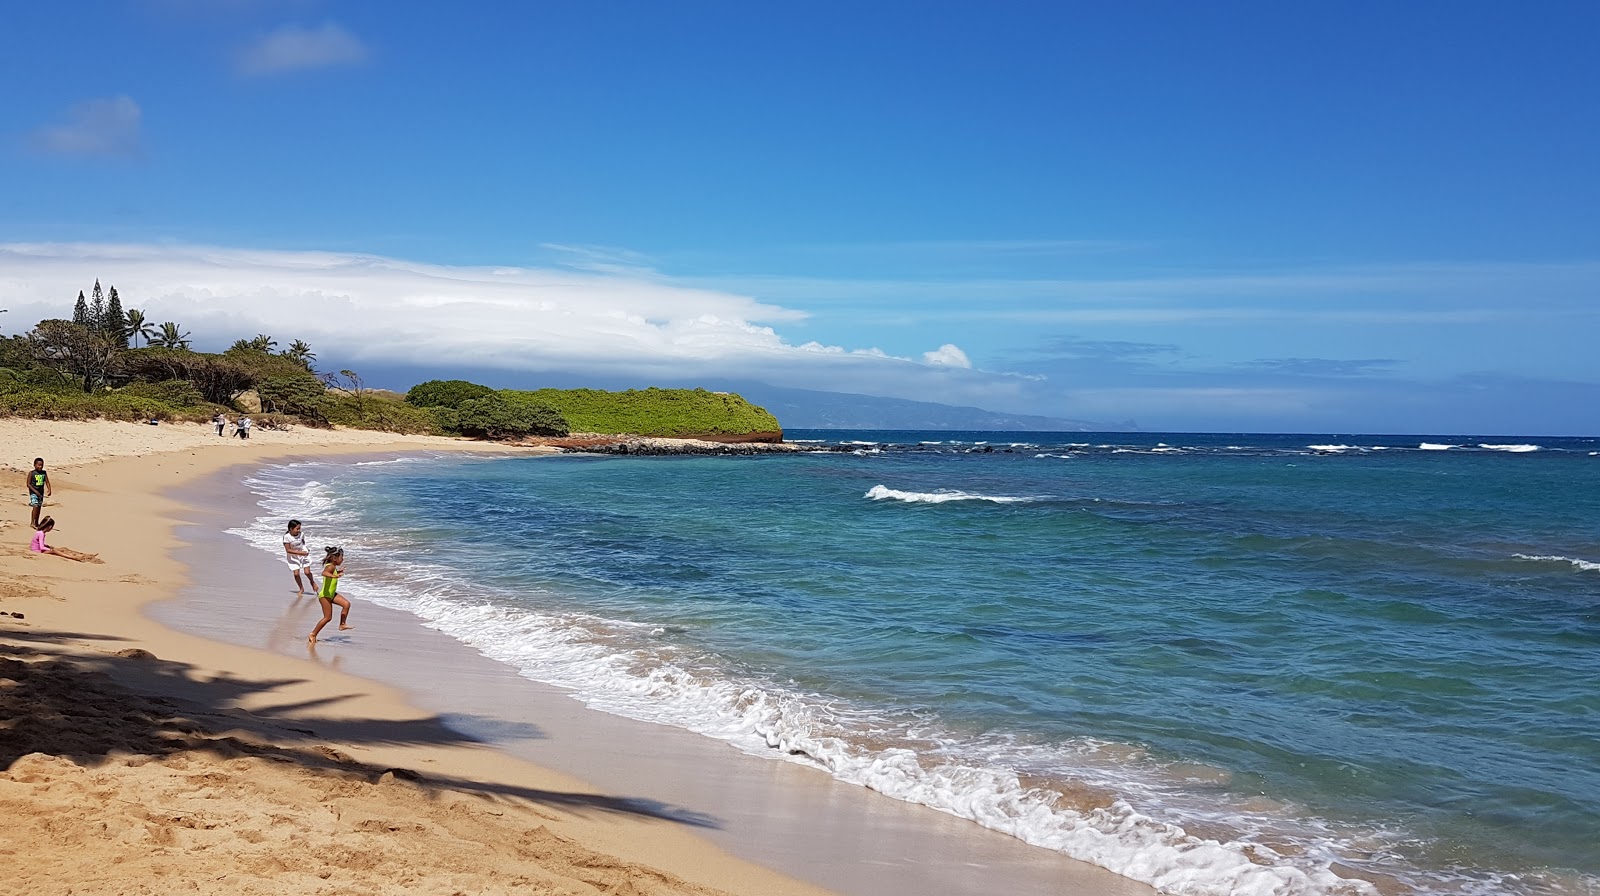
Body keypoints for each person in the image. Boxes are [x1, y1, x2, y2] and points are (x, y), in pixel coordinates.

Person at [309, 546, 354, 643]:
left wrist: (338, 572)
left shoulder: (333, 567)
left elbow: (329, 573)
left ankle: (342, 624)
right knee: (327, 618)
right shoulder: (330, 566)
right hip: (325, 596)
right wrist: (335, 575)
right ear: (334, 558)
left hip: (331, 594)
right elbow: (324, 573)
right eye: (341, 557)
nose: (343, 559)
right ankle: (313, 634)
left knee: (346, 604)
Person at [29, 517, 97, 562]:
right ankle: (72, 557)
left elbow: (38, 543)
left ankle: (82, 554)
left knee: (63, 548)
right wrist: (50, 550)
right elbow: (41, 547)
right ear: (50, 527)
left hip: (37, 549)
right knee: (55, 550)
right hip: (37, 551)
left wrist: (47, 546)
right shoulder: (41, 534)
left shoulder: (39, 532)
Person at [282, 519, 318, 595]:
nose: (299, 530)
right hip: (293, 556)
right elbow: (288, 550)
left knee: (307, 572)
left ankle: (312, 582)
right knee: (296, 574)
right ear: (291, 529)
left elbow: (303, 543)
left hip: (303, 554)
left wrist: (305, 550)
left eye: (299, 528)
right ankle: (301, 588)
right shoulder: (287, 537)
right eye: (297, 529)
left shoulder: (301, 534)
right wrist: (300, 553)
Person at [25, 457, 51, 529]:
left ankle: (37, 522)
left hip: (41, 493)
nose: (40, 466)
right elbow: (28, 484)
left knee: (39, 507)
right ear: (34, 465)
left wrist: (49, 489)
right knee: (35, 506)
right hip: (33, 493)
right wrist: (35, 491)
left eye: (42, 465)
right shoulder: (31, 473)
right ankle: (32, 522)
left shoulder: (44, 473)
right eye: (39, 465)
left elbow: (47, 482)